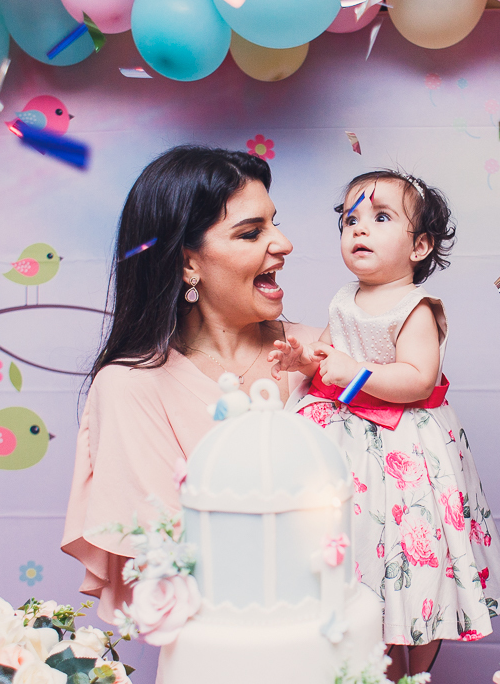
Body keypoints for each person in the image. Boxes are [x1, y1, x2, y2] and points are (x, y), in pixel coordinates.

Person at [271, 170, 500, 679]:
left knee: (410, 553)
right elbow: (330, 355)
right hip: (345, 441)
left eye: (380, 218)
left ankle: (414, 674)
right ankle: (369, 666)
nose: (359, 230)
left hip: (402, 447)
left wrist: (353, 373)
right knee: (357, 553)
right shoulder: (344, 297)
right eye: (350, 220)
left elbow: (417, 379)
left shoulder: (416, 309)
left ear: (420, 245)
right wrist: (307, 361)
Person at [61, 146, 318, 623]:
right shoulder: (131, 387)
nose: (283, 244)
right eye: (251, 232)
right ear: (187, 265)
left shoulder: (326, 352)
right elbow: (165, 558)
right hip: (217, 660)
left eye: (274, 223)